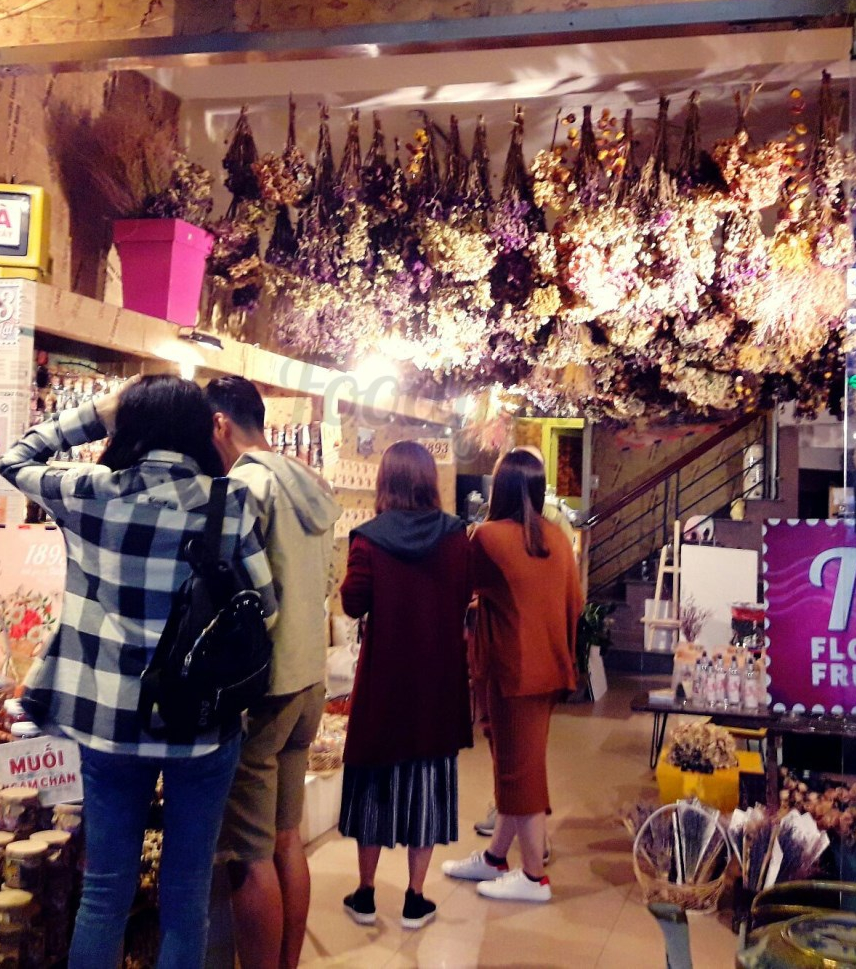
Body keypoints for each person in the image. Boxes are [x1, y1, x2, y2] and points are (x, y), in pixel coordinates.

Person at [0, 375, 274, 969]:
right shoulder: (226, 501)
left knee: (103, 893)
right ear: (200, 429)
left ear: (129, 425)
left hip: (106, 724)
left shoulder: (89, 491)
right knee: (186, 895)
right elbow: (265, 606)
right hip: (200, 724)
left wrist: (99, 413)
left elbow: (14, 459)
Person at [206, 376, 340, 969]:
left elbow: (235, 589)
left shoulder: (246, 485)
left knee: (250, 853)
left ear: (219, 424)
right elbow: (329, 580)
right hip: (309, 679)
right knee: (288, 837)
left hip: (264, 688)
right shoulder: (307, 482)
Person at [337, 440, 473, 930]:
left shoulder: (368, 539)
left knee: (374, 784)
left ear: (385, 481)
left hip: (385, 683)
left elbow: (353, 602)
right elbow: (465, 592)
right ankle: (416, 898)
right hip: (438, 683)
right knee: (428, 787)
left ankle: (366, 894)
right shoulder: (455, 535)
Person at [443, 447, 582, 903]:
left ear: (497, 488)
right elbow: (575, 603)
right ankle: (496, 857)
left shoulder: (486, 536)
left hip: (510, 670)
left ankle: (534, 876)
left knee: (520, 772)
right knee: (517, 763)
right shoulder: (557, 537)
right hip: (551, 666)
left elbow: (457, 589)